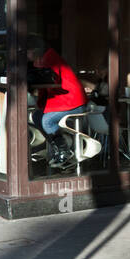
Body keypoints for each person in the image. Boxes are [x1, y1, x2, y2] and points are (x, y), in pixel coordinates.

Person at [27, 34, 87, 169]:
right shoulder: (41, 60)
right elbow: (44, 86)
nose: (25, 54)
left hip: (74, 102)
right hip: (65, 101)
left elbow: (50, 81)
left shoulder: (49, 59)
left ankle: (65, 151)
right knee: (37, 115)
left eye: (27, 50)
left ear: (35, 50)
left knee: (47, 120)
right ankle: (60, 146)